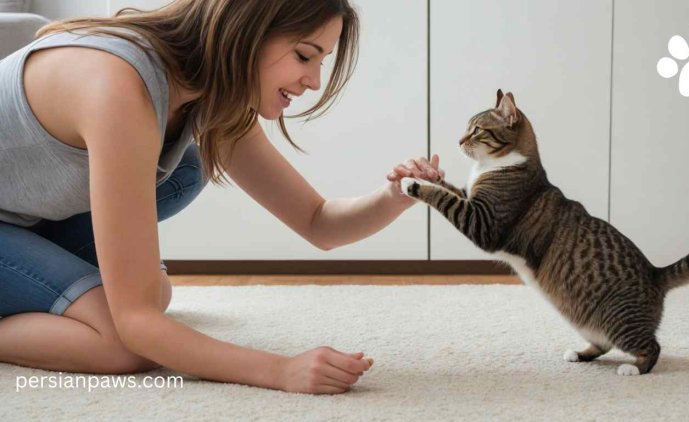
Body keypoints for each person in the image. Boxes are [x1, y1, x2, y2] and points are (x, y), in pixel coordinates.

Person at [0, 0, 444, 394]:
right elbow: (137, 327)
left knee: (175, 218)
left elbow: (318, 222)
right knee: (122, 343)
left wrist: (393, 197)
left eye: (321, 61)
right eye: (305, 55)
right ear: (247, 31)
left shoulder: (209, 94)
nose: (313, 80)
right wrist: (280, 370)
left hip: (24, 215)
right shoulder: (118, 86)